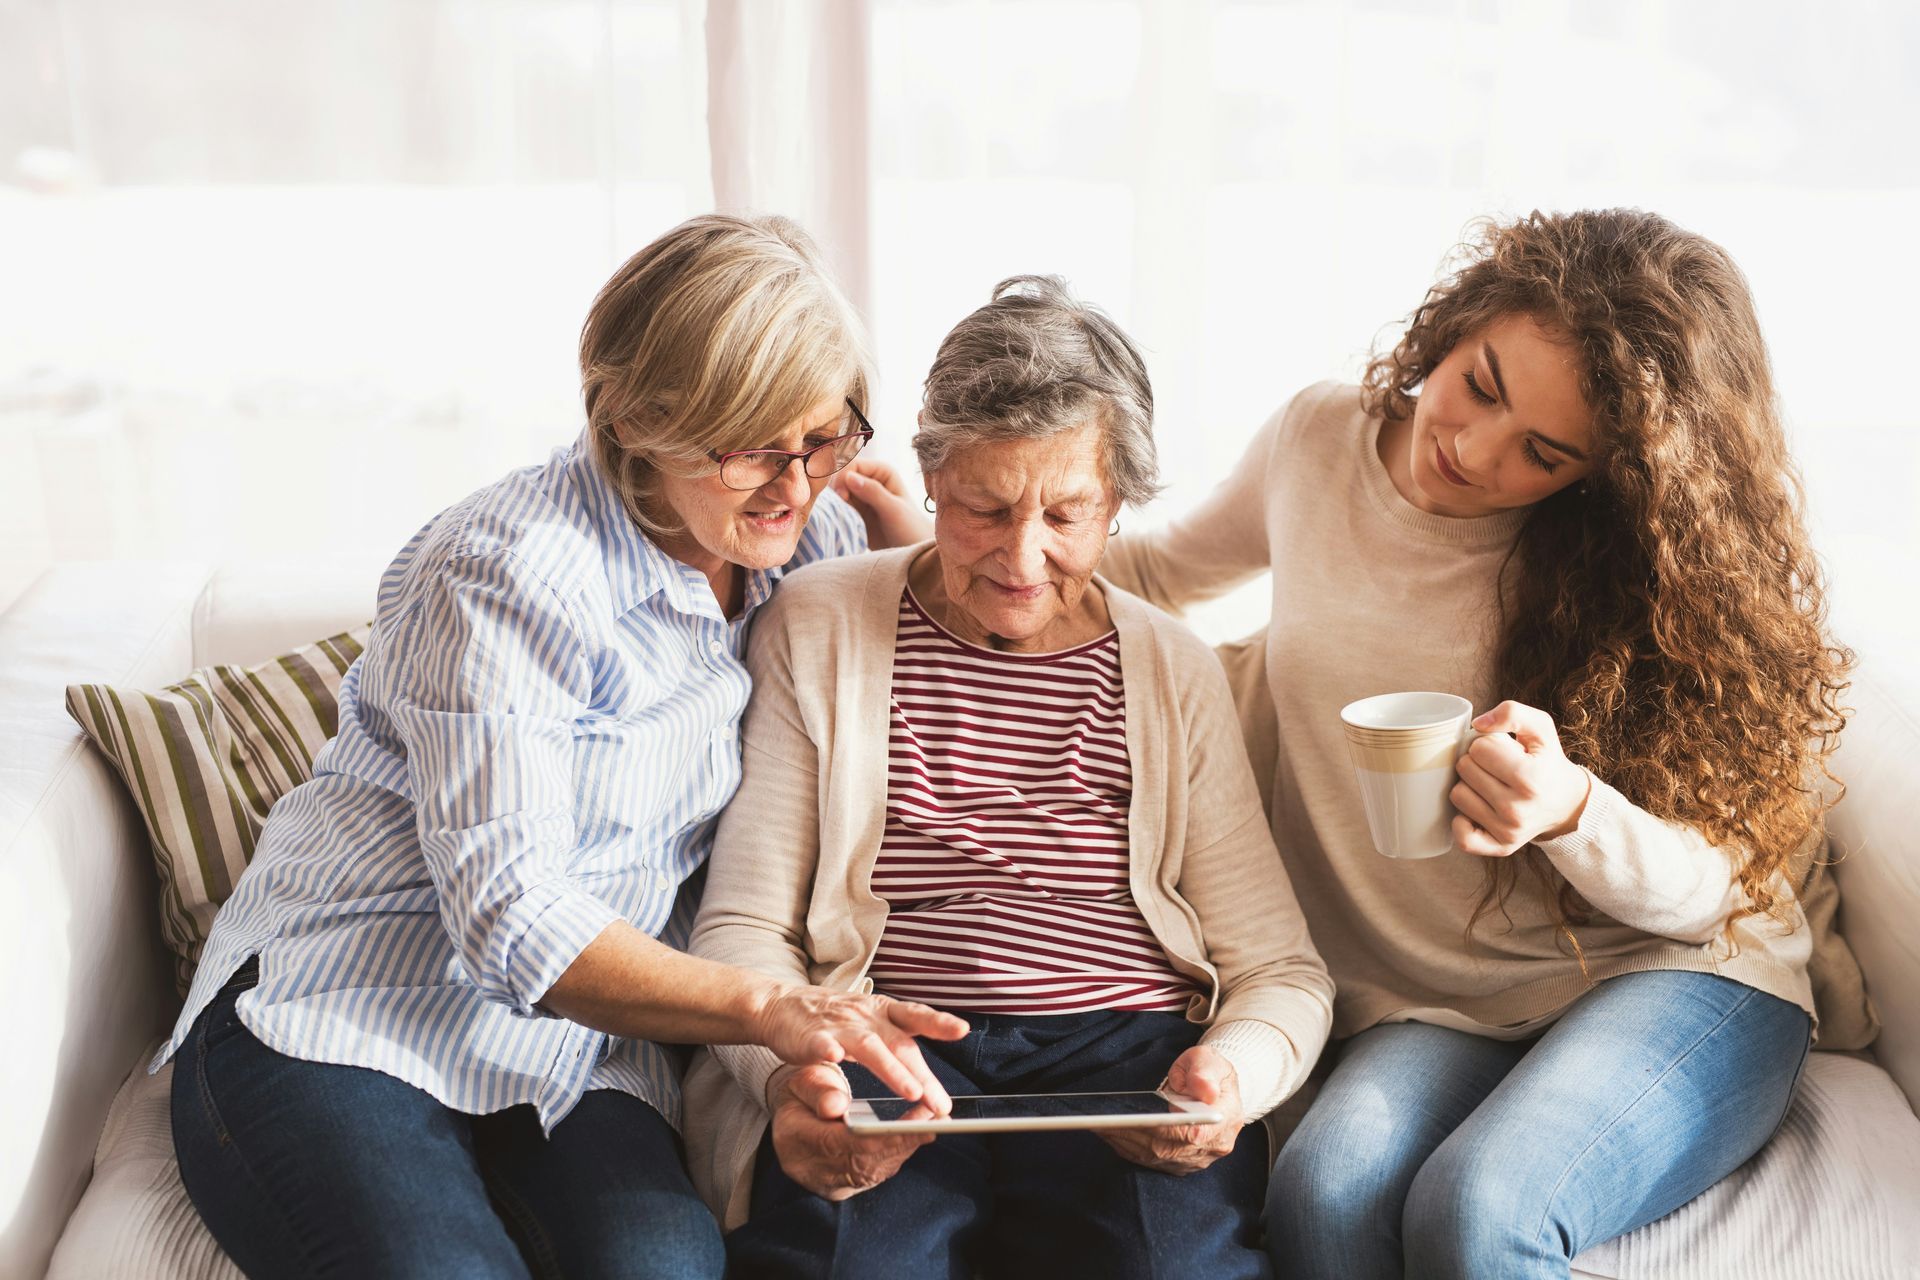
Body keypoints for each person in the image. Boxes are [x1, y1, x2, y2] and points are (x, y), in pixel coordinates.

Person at [159, 213, 966, 1280]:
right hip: (343, 1008)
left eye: (824, 435)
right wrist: (773, 1009)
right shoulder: (508, 568)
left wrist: (917, 559)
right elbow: (510, 915)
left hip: (577, 1052)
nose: (796, 480)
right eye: (752, 448)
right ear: (635, 416)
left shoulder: (807, 537)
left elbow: (968, 668)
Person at [1087, 209, 1850, 1277]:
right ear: (1456, 322)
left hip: (1678, 971)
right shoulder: (1317, 440)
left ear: (1604, 471)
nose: (1472, 448)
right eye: (1481, 385)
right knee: (1324, 1191)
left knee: (1481, 1204)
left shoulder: (1631, 563)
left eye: (1544, 451)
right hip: (1441, 993)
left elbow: (1710, 891)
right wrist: (938, 557)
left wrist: (1572, 809)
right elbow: (1154, 572)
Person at [682, 275, 1334, 1280]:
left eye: (1068, 513)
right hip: (893, 1042)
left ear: (1118, 500)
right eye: (985, 507)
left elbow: (1281, 973)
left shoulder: (1171, 666)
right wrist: (789, 1075)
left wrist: (1229, 1075)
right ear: (931, 477)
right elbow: (743, 931)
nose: (1022, 559)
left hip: (1128, 1057)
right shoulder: (819, 623)